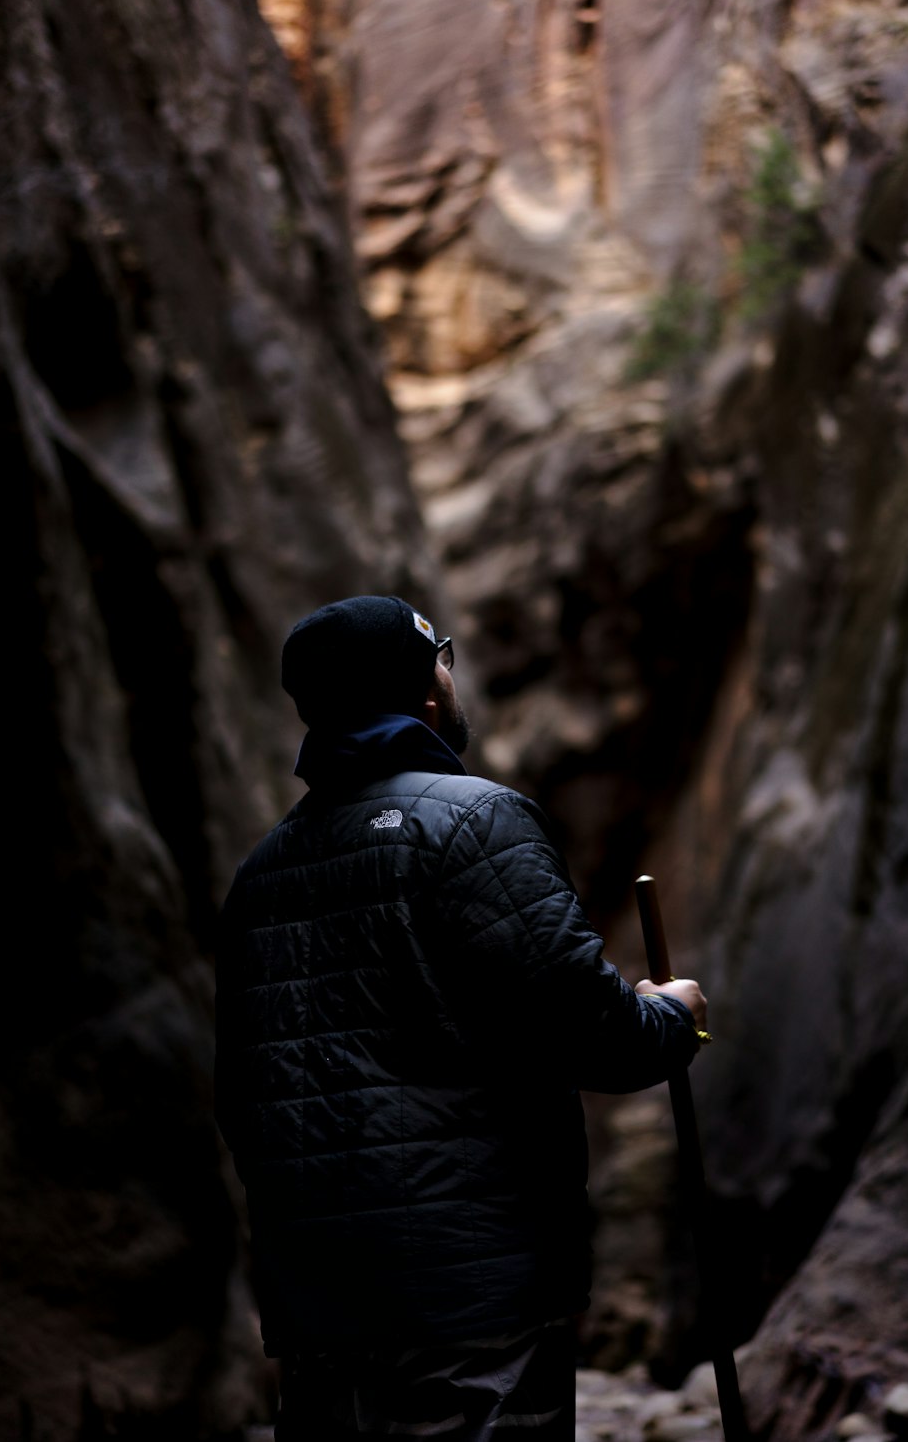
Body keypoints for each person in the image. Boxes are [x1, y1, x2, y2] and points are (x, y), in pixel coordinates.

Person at [215, 594, 708, 1442]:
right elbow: (601, 1036)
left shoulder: (261, 874)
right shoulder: (476, 821)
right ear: (428, 690)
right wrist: (674, 1017)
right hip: (474, 1309)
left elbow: (244, 1101)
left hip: (322, 1319)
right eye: (441, 653)